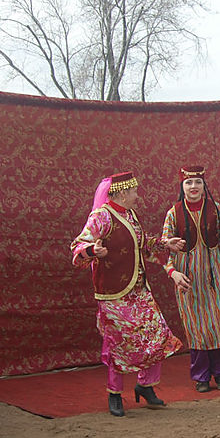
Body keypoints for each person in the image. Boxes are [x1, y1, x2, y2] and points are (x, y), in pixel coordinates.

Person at [71, 171, 184, 416]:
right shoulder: (101, 217)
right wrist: (92, 250)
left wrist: (165, 244)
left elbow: (141, 245)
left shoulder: (130, 215)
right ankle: (114, 394)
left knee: (157, 335)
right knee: (117, 343)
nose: (137, 195)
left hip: (138, 290)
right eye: (134, 191)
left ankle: (146, 386)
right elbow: (78, 246)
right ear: (122, 193)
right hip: (113, 293)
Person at [162, 166, 220, 393]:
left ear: (204, 186)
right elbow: (164, 248)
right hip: (187, 280)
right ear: (182, 186)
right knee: (196, 328)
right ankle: (201, 376)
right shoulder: (173, 213)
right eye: (189, 183)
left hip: (212, 278)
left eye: (198, 182)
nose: (193, 187)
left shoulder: (215, 209)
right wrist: (173, 272)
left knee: (216, 325)